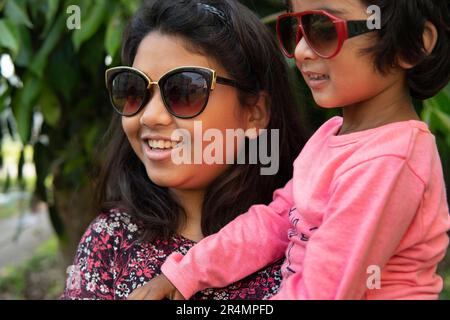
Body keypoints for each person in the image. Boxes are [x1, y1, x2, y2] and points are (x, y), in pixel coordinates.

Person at [129, 0, 450, 300]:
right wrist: (184, 274)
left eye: (323, 29)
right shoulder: (333, 136)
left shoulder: (389, 160)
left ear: (414, 44)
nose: (301, 51)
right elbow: (276, 222)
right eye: (295, 29)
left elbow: (324, 291)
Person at [62, 0, 309, 300]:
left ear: (254, 113)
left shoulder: (306, 234)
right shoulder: (110, 241)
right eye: (134, 89)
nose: (150, 116)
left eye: (184, 91)